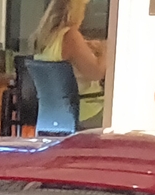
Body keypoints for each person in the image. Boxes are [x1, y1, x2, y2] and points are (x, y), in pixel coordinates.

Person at [32, 0, 106, 129]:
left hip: (51, 115)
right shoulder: (70, 36)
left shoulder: (43, 38)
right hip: (85, 111)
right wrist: (106, 50)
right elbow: (97, 73)